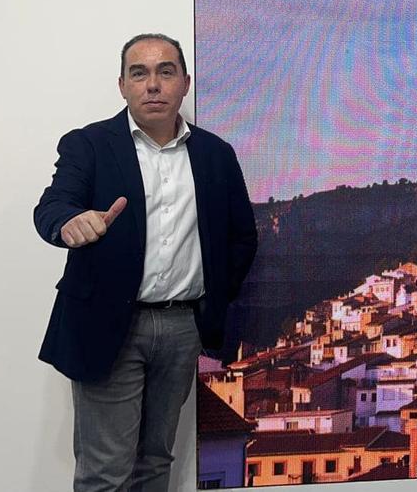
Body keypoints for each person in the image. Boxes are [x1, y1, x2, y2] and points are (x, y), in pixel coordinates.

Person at [34, 33, 257, 491]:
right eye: (139, 73)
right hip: (109, 325)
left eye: (165, 71)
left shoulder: (216, 154)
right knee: (105, 472)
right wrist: (71, 222)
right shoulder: (89, 145)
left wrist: (209, 301)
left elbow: (241, 238)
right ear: (122, 85)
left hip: (181, 330)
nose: (152, 84)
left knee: (156, 462)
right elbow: (53, 205)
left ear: (185, 83)